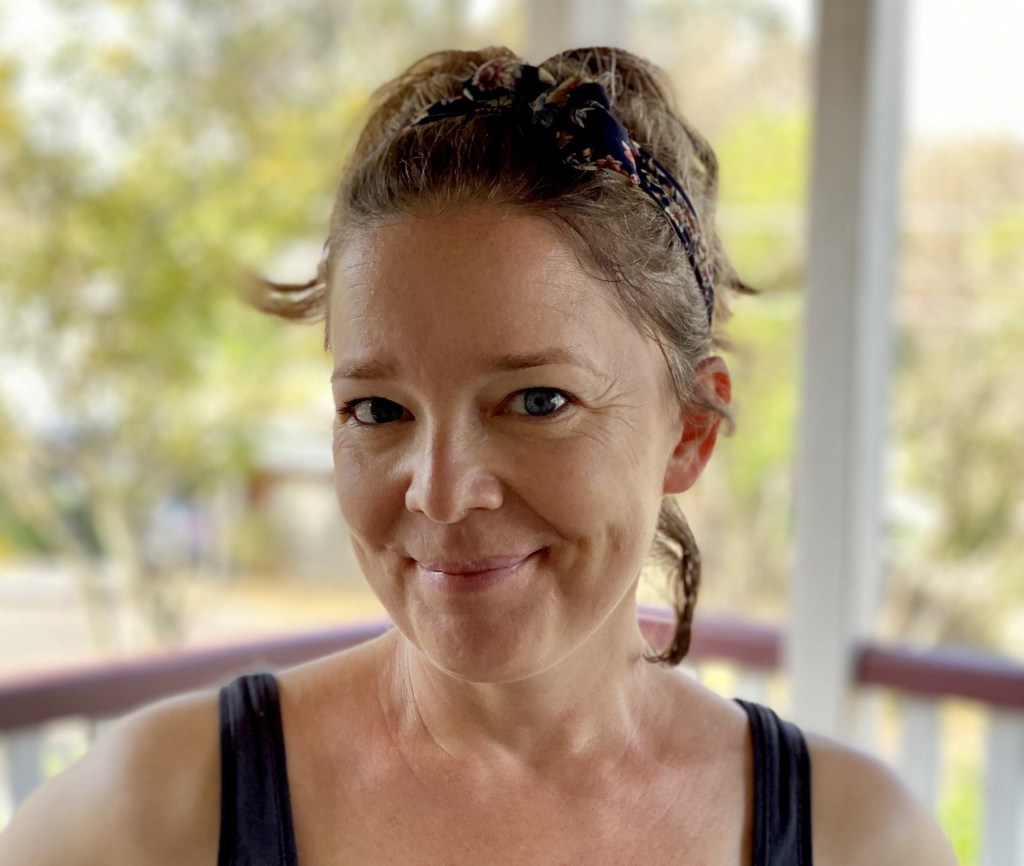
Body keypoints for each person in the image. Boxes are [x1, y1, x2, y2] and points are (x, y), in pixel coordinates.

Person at [0, 46, 957, 866]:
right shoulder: (158, 815)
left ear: (690, 431)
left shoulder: (857, 838)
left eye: (538, 401)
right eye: (377, 409)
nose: (442, 491)